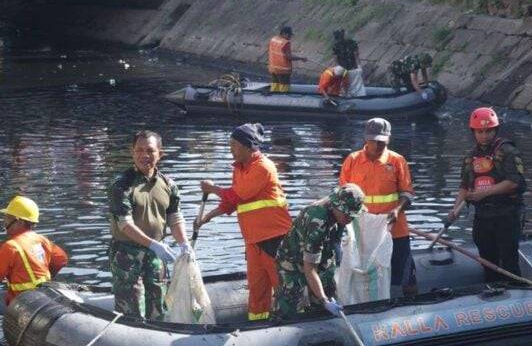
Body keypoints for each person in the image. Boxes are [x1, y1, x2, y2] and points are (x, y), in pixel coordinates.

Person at [196, 123, 292, 321]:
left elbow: (237, 194)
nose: (230, 149)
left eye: (234, 145)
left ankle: (292, 322)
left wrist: (212, 189)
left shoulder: (263, 167)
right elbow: (232, 202)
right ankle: (257, 326)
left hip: (275, 238)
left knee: (283, 287)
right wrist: (206, 218)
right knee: (257, 290)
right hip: (253, 241)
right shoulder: (239, 169)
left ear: (249, 146)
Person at [108, 131, 190, 320]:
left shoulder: (168, 184)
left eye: (150, 151)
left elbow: (174, 217)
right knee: (130, 308)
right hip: (126, 255)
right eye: (139, 150)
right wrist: (153, 243)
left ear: (160, 154)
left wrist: (184, 244)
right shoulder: (121, 185)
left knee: (159, 304)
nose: (144, 155)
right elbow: (124, 225)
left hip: (155, 255)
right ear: (132, 152)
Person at [339, 118, 418, 298]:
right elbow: (342, 195)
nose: (377, 145)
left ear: (388, 140)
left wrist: (397, 210)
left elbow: (408, 194)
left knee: (406, 275)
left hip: (394, 228)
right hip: (363, 232)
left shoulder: (397, 161)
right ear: (366, 139)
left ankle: (413, 309)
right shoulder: (352, 160)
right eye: (373, 140)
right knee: (368, 272)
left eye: (382, 141)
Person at [447, 107, 526, 283]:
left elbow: (514, 182)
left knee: (508, 260)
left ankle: (516, 293)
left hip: (507, 215)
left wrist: (485, 193)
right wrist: (455, 209)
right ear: (473, 132)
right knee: (487, 260)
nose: (484, 135)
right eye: (480, 131)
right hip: (483, 216)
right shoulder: (470, 157)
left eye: (488, 131)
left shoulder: (507, 151)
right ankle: (492, 292)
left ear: (495, 130)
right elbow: (465, 186)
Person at [273, 183, 366, 319]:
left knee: (327, 296)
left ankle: (322, 316)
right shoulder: (318, 221)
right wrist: (324, 301)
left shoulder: (339, 208)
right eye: (347, 216)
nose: (349, 220)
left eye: (352, 216)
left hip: (323, 257)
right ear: (336, 207)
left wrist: (326, 298)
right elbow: (309, 269)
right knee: (290, 308)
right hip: (293, 261)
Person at [0, 196, 68, 305]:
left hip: (21, 304)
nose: (4, 221)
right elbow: (61, 259)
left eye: (8, 217)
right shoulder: (42, 239)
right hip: (45, 298)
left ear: (19, 222)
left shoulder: (10, 247)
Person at [268, 26, 307, 93]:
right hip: (283, 71)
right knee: (284, 87)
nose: (290, 37)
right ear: (283, 33)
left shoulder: (273, 39)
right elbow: (289, 57)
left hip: (273, 69)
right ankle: (282, 100)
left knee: (275, 85)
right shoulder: (285, 43)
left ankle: (273, 99)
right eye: (289, 35)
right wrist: (301, 58)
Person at [331, 29, 365, 97]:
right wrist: (359, 65)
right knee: (356, 85)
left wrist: (336, 68)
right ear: (343, 35)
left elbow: (335, 58)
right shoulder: (352, 42)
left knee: (345, 85)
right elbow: (356, 55)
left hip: (345, 69)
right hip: (350, 68)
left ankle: (346, 96)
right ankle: (359, 96)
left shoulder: (336, 45)